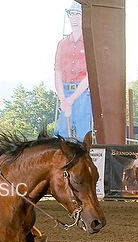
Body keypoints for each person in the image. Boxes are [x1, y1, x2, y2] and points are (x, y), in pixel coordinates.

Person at [54, 1, 93, 141]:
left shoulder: (90, 44)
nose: (74, 18)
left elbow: (89, 76)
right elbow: (57, 73)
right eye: (72, 14)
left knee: (83, 133)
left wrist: (71, 99)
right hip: (65, 92)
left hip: (83, 94)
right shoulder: (62, 44)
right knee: (61, 133)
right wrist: (63, 98)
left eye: (78, 14)